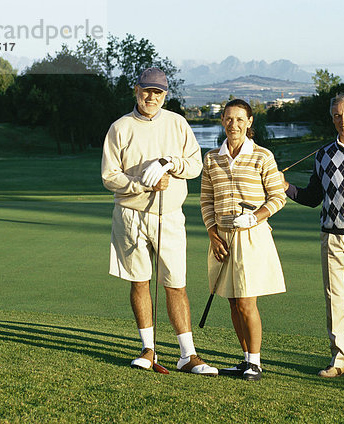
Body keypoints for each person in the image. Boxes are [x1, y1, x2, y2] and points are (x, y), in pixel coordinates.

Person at [102, 67, 217, 376]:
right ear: (136, 90)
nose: (151, 97)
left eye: (158, 92)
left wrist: (170, 164)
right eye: (146, 90)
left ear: (165, 95)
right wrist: (142, 183)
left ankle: (187, 354)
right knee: (140, 281)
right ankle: (147, 349)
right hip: (130, 214)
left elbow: (194, 165)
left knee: (175, 284)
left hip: (169, 215)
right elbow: (109, 176)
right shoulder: (120, 127)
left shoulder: (177, 123)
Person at [281, 93, 344, 378]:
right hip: (331, 237)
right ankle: (339, 360)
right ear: (332, 119)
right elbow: (313, 197)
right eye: (337, 116)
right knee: (335, 302)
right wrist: (285, 187)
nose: (343, 120)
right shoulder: (324, 154)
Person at [200, 99, 286, 381]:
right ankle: (245, 358)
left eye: (240, 120)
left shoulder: (262, 156)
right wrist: (213, 233)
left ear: (250, 123)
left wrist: (255, 216)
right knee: (233, 302)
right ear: (222, 120)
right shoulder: (212, 158)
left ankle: (255, 362)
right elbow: (206, 200)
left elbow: (278, 197)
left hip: (251, 236)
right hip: (222, 238)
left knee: (247, 302)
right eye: (228, 119)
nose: (233, 124)